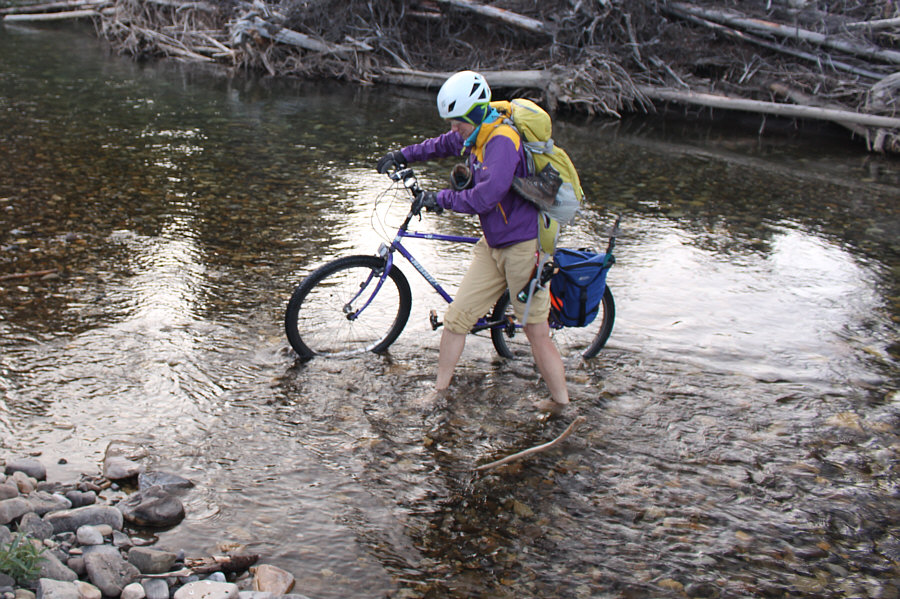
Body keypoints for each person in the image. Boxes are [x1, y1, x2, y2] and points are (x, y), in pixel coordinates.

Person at [376, 70, 569, 415]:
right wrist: (402, 155)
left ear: (475, 113)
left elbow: (486, 197)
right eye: (451, 123)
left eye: (457, 122)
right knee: (457, 319)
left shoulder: (501, 142)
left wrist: (441, 199)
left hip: (523, 247)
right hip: (493, 245)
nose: (453, 129)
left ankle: (561, 404)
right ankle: (439, 393)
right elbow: (440, 144)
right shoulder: (474, 135)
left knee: (535, 332)